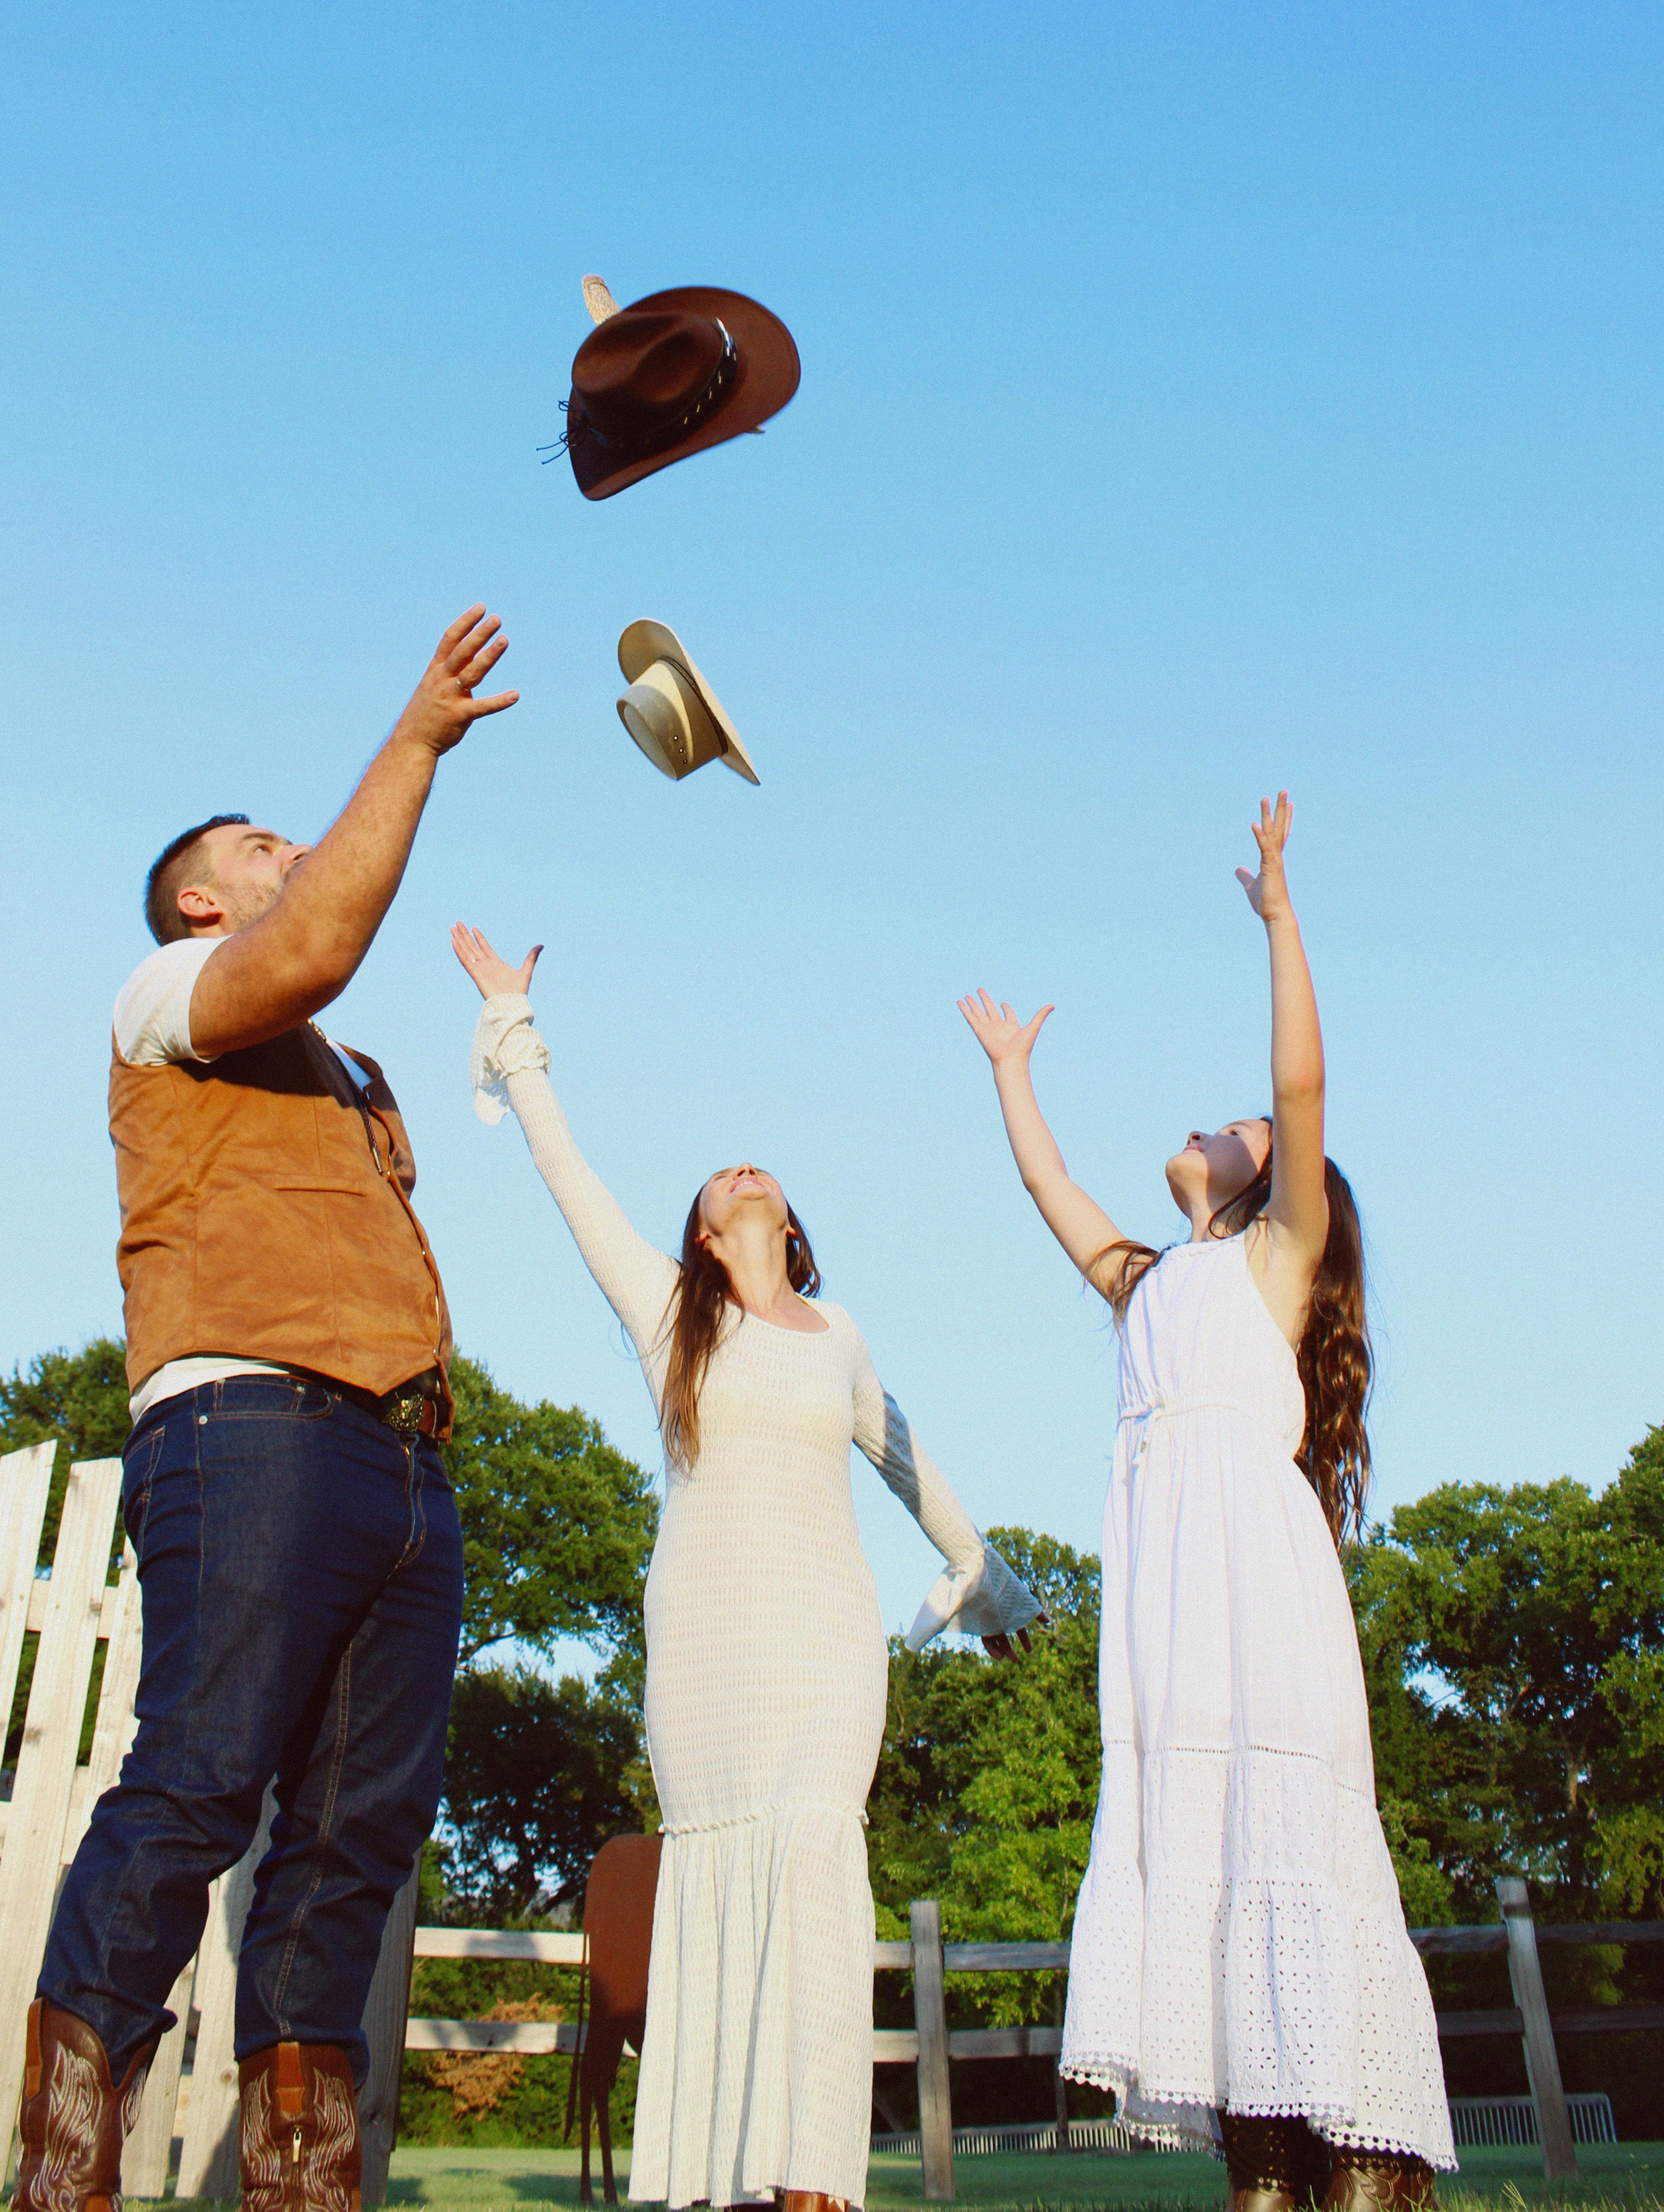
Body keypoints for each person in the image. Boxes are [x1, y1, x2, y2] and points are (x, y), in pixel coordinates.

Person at [19, 608, 516, 2212]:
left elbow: (327, 970)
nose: (291, 844)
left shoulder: (344, 1067)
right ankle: (63, 2176)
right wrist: (418, 740)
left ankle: (301, 2183)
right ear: (197, 899)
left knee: (350, 1843)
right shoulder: (160, 991)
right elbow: (310, 944)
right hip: (248, 1427)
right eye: (258, 840)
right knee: (199, 1778)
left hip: (400, 1459)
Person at [450, 925, 1042, 2212]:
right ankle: (724, 2179)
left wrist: (984, 1578)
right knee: (720, 1891)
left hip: (827, 1647)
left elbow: (905, 1458)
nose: (742, 1170)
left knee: (820, 1868)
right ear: (706, 1234)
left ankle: (813, 2179)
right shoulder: (672, 1317)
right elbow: (569, 1175)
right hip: (709, 1658)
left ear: (787, 1225)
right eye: (720, 1178)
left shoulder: (838, 1332)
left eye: (756, 1168)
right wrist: (512, 1022)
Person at [959, 798, 1453, 2212]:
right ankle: (1258, 2167)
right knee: (1203, 1841)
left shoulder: (1278, 1259)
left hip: (1256, 1573)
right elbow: (1051, 1189)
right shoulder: (1147, 1283)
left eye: (1234, 1127)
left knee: (1286, 1830)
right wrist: (1009, 1074)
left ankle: (1359, 2161)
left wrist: (1279, 916)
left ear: (1276, 1189)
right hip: (1166, 1602)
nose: (1218, 1124)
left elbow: (1300, 1090)